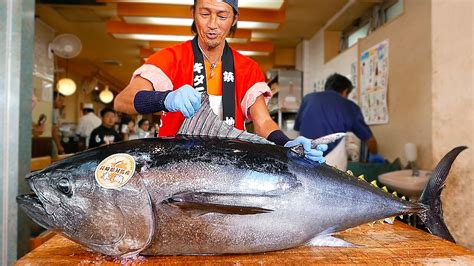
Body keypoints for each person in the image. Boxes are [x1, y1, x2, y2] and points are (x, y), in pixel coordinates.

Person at [114, 0, 327, 163]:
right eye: (204, 14)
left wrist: (287, 143)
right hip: (173, 168)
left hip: (230, 169)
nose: (212, 25)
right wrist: (165, 98)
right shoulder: (170, 59)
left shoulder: (247, 68)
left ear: (234, 19)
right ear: (193, 13)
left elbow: (262, 122)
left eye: (222, 16)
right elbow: (122, 101)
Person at [294, 73, 380, 170]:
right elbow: (369, 139)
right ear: (345, 91)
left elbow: (298, 128)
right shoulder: (349, 106)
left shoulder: (308, 98)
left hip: (303, 159)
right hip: (330, 161)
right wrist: (375, 154)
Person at [52, 91, 65, 156]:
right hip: (52, 141)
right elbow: (53, 130)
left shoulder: (56, 111)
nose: (62, 103)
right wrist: (59, 146)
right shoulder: (52, 111)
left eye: (62, 101)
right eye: (60, 100)